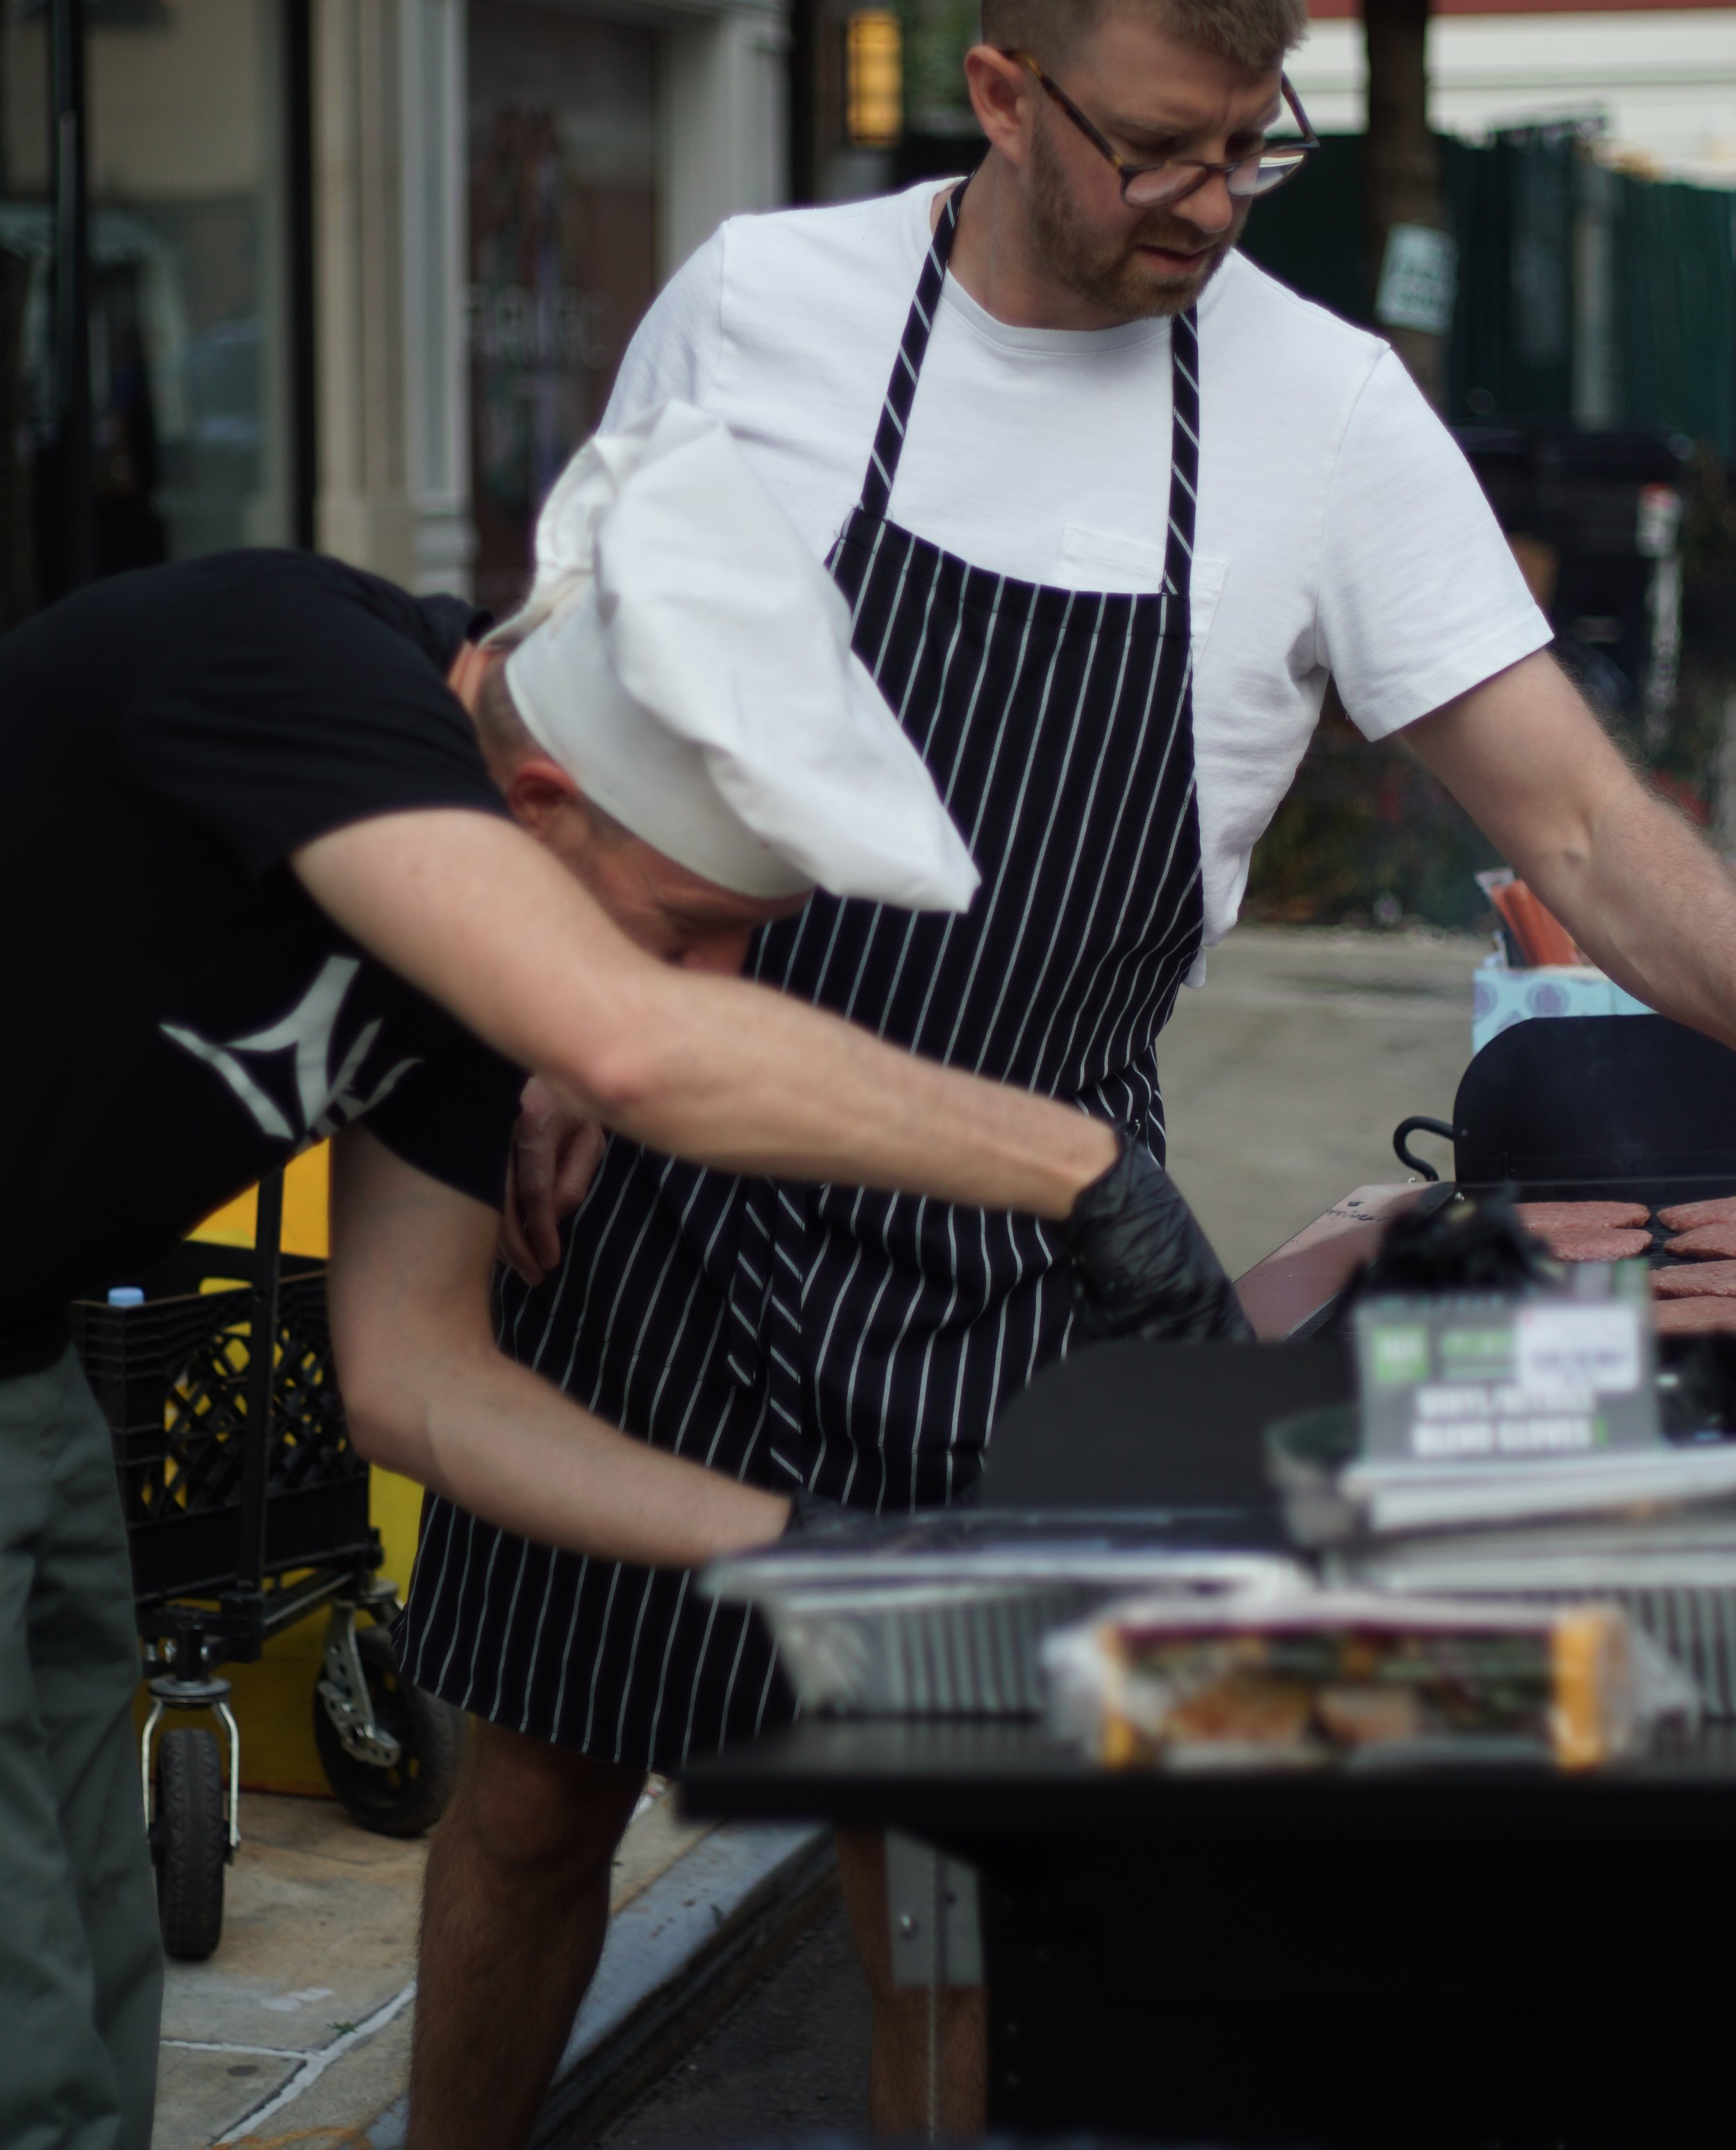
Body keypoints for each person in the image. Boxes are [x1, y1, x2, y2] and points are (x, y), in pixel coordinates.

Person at [402, 0, 1736, 2145]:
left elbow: (1586, 827)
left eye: (1255, 146)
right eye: (1153, 147)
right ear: (1002, 89)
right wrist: (556, 1010)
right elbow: (579, 694)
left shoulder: (1323, 413)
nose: (1209, 204)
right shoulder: (762, 300)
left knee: (944, 1888)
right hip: (671, 1183)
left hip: (1031, 1240)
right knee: (529, 1809)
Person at [0, 395, 1235, 2150]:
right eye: (685, 930)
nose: (717, 981)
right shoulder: (278, 661)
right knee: (24, 2062)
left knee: (96, 1986)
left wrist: (809, 1551)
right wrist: (1082, 1171)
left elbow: (415, 1375)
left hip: (29, 1376)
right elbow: (639, 1051)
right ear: (539, 797)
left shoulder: (445, 955)